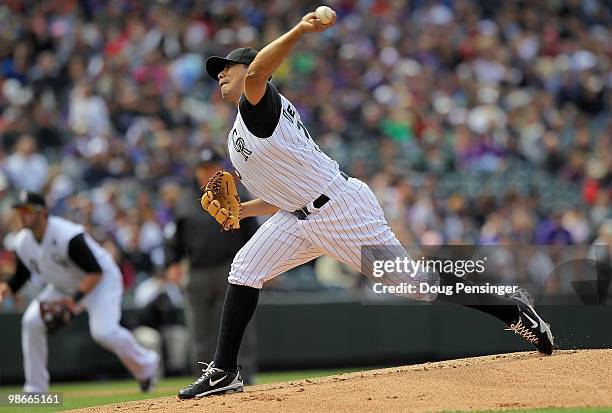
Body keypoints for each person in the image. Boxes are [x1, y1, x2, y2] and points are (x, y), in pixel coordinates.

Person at [177, 10, 554, 399]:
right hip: (298, 215)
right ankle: (224, 371)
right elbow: (280, 197)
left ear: (253, 69)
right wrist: (240, 210)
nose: (220, 73)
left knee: (418, 286)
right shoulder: (240, 133)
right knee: (245, 267)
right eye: (217, 70)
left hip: (341, 211)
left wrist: (302, 30)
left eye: (228, 67)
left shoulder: (258, 100)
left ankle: (511, 309)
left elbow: (257, 74)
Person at [0, 191, 159, 393]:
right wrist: (8, 287)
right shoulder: (22, 241)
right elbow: (22, 274)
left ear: (42, 213)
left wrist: (73, 301)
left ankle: (146, 365)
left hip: (102, 283)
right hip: (63, 287)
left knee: (104, 332)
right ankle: (35, 388)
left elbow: (95, 271)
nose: (22, 215)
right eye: (19, 210)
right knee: (31, 321)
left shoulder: (67, 235)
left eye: (27, 210)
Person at [165, 148, 259, 382]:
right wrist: (173, 263)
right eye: (203, 169)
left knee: (240, 327)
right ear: (196, 172)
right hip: (197, 272)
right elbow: (175, 239)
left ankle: (245, 378)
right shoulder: (186, 202)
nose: (208, 173)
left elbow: (253, 234)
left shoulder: (237, 195)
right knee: (200, 333)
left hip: (232, 269)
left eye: (212, 168)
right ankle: (204, 379)